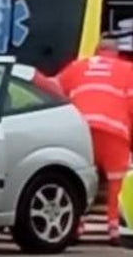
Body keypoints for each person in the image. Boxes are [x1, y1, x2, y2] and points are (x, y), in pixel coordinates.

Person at [50, 37, 133, 245]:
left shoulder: (77, 67)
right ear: (116, 54)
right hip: (114, 132)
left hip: (80, 130)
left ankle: (76, 227)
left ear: (96, 52)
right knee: (117, 183)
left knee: (80, 180)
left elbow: (51, 88)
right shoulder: (127, 69)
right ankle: (113, 230)